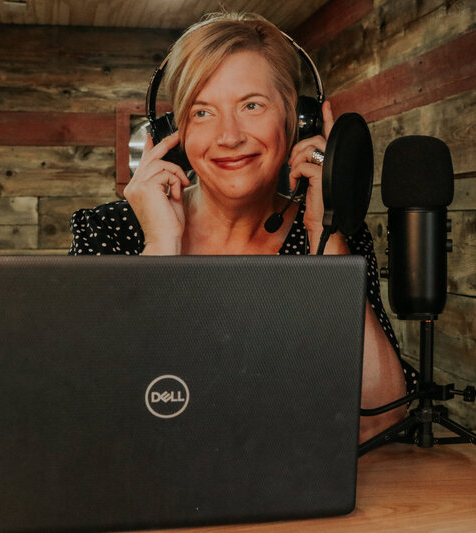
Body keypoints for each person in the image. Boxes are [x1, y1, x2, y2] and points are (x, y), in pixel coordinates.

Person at [69, 12, 416, 442]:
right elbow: (88, 415)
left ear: (296, 120)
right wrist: (160, 247)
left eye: (251, 105)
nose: (228, 136)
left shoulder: (328, 236)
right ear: (174, 132)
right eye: (202, 112)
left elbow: (381, 422)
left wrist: (321, 231)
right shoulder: (114, 230)